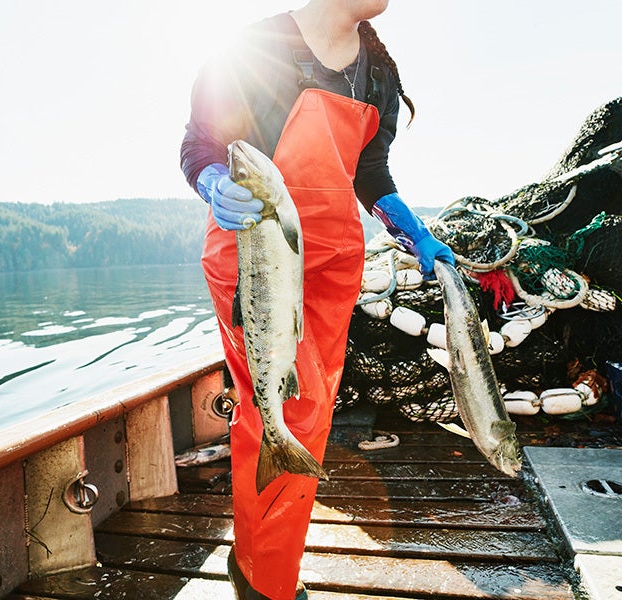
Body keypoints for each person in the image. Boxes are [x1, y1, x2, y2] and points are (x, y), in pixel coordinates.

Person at [180, 1, 455, 598]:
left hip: (332, 261)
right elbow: (199, 144)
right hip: (254, 255)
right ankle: (267, 581)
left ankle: (255, 562)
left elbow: (370, 171)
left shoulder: (379, 73)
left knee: (312, 410)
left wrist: (408, 224)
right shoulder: (254, 47)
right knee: (281, 409)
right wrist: (211, 183)